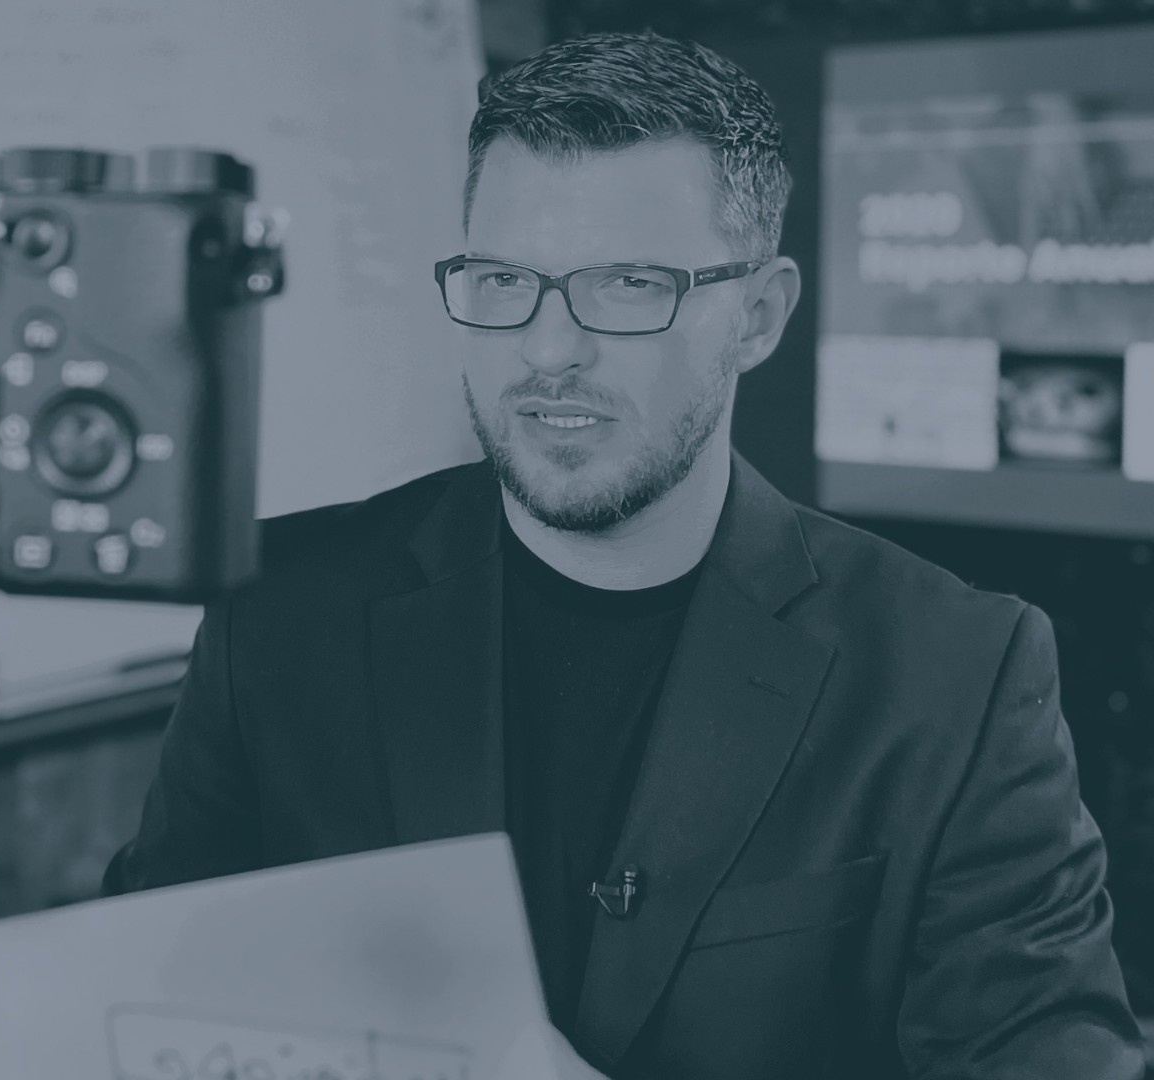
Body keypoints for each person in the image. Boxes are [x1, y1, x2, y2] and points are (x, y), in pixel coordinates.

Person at [103, 31, 1146, 1080]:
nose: (549, 349)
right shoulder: (280, 615)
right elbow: (143, 1013)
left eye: (629, 284)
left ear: (758, 317)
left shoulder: (955, 674)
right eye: (504, 278)